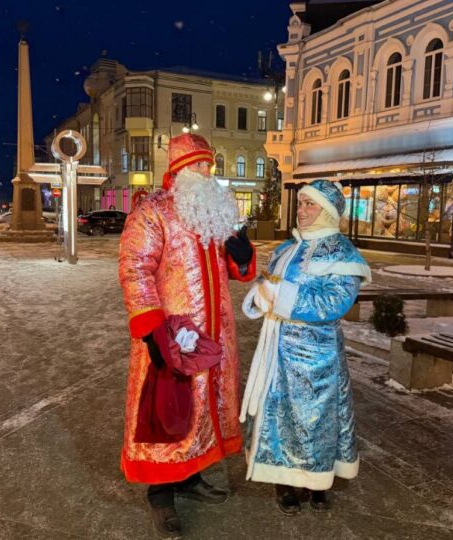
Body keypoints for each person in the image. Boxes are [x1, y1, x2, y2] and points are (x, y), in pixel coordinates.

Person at [118, 132, 256, 538]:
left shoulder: (213, 213)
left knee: (203, 407)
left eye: (208, 165)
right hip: (173, 335)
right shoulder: (153, 211)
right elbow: (135, 268)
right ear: (178, 170)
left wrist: (242, 257)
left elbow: (233, 269)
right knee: (167, 410)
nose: (205, 172)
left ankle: (191, 475)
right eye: (197, 165)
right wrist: (151, 330)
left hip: (216, 335)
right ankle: (161, 494)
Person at [240, 179, 371, 515]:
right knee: (281, 416)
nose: (302, 210)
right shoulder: (287, 248)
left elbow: (334, 303)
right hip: (278, 351)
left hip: (318, 356)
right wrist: (260, 295)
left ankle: (316, 481)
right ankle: (284, 482)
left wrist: (281, 296)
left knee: (316, 419)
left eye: (310, 204)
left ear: (327, 210)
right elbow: (267, 283)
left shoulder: (342, 253)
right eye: (300, 203)